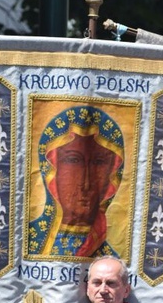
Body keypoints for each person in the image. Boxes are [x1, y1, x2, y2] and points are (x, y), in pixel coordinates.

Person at [29, 106, 125, 257]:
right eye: (73, 160)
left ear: (113, 174)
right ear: (51, 170)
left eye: (99, 162)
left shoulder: (112, 265)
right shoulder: (26, 243)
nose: (86, 184)